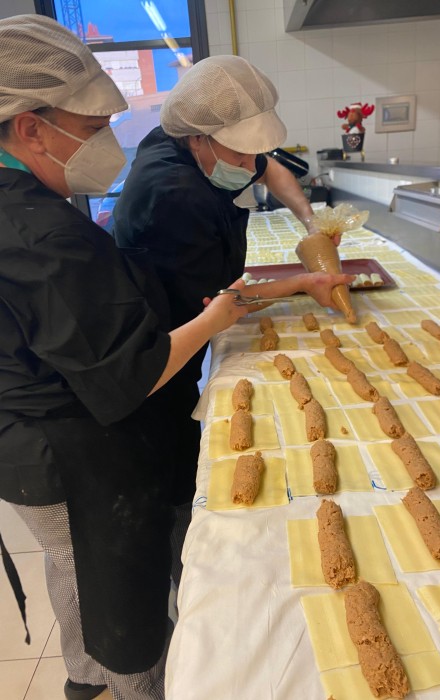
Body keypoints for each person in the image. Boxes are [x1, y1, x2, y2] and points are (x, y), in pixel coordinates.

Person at [0, 16, 350, 700]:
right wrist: (219, 315)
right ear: (31, 129)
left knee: (76, 565)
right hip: (56, 444)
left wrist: (295, 258)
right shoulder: (42, 233)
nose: (106, 142)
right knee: (103, 577)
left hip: (44, 417)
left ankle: (85, 674)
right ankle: (126, 683)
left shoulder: (30, 200)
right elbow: (126, 371)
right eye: (91, 126)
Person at [112, 56, 346, 575]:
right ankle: (183, 560)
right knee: (172, 454)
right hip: (159, 341)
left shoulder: (183, 137)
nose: (248, 163)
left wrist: (310, 220)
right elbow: (220, 307)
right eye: (239, 153)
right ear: (199, 139)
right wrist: (303, 284)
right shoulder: (174, 196)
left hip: (188, 305)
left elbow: (269, 166)